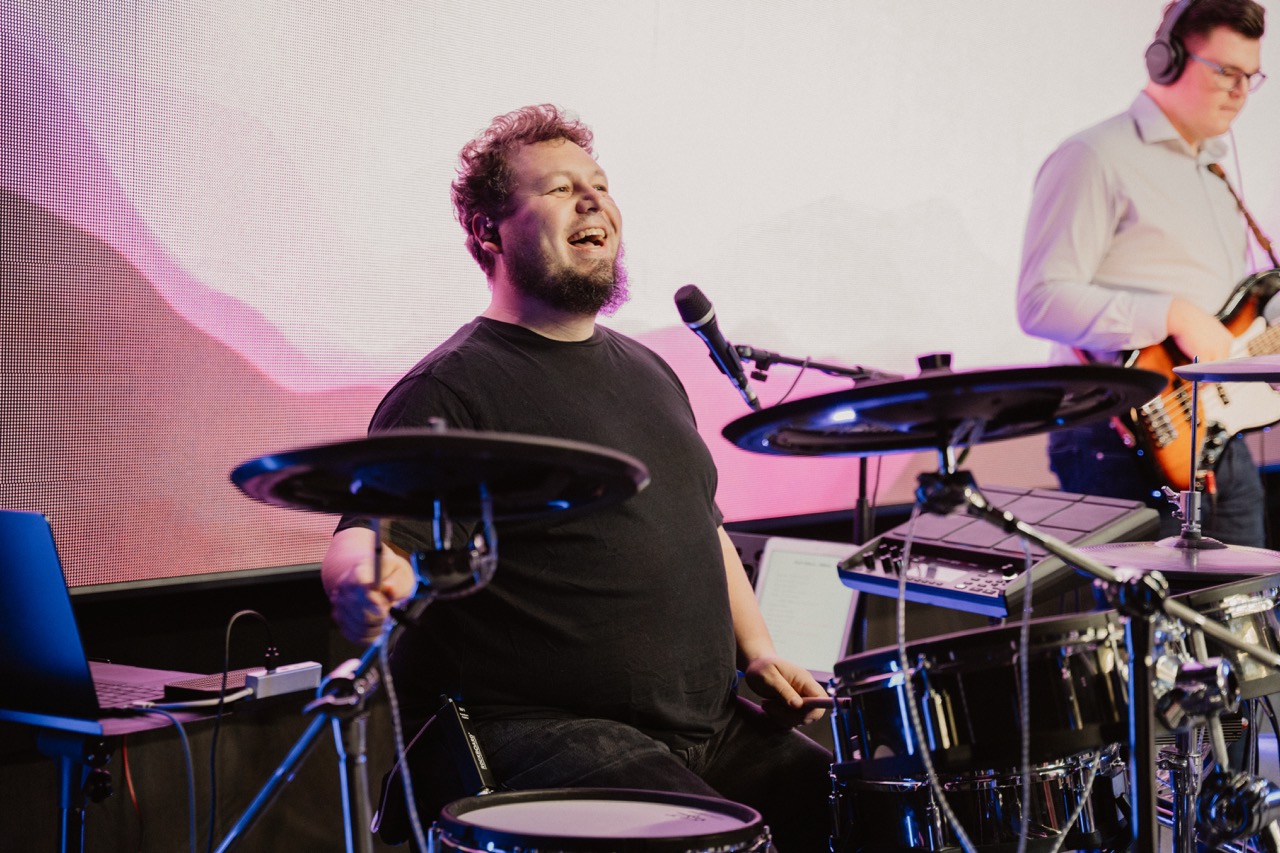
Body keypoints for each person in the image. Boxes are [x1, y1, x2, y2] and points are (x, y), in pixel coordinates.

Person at [321, 104, 834, 851]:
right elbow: (372, 540)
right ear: (488, 232)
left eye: (599, 185)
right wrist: (361, 582)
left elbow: (703, 524)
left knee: (867, 812)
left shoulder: (650, 370)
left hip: (709, 728)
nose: (593, 200)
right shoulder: (451, 388)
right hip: (541, 733)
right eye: (560, 189)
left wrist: (757, 649)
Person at [1016, 0, 1269, 546]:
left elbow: (1230, 317)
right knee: (1143, 605)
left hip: (1219, 441)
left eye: (1250, 76)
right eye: (1225, 71)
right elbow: (1040, 301)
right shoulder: (1094, 156)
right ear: (1166, 59)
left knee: (1249, 602)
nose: (1239, 92)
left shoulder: (1213, 171)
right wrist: (1172, 314)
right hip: (1119, 437)